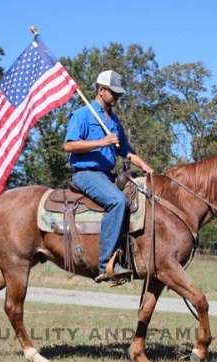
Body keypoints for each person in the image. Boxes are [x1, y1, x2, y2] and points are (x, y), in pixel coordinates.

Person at [63, 70, 154, 282]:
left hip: (107, 175)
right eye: (114, 93)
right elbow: (69, 145)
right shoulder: (83, 115)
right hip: (86, 173)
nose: (117, 98)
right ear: (101, 90)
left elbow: (127, 152)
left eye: (119, 94)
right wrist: (102, 142)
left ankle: (128, 256)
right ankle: (106, 264)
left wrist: (148, 169)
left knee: (139, 199)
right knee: (117, 201)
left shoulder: (113, 121)